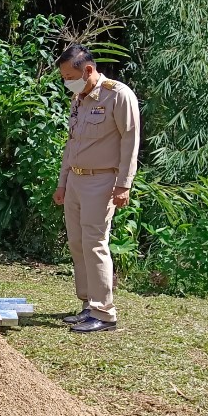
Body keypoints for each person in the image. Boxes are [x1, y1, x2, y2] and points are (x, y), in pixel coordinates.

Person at [53, 44, 140, 333]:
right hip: (76, 180)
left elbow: (130, 141)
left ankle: (104, 313)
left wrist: (124, 184)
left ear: (88, 69)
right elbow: (71, 144)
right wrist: (63, 182)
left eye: (70, 76)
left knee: (95, 243)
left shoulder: (118, 95)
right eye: (64, 77)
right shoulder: (78, 99)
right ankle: (88, 304)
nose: (67, 82)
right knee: (77, 243)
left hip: (102, 181)